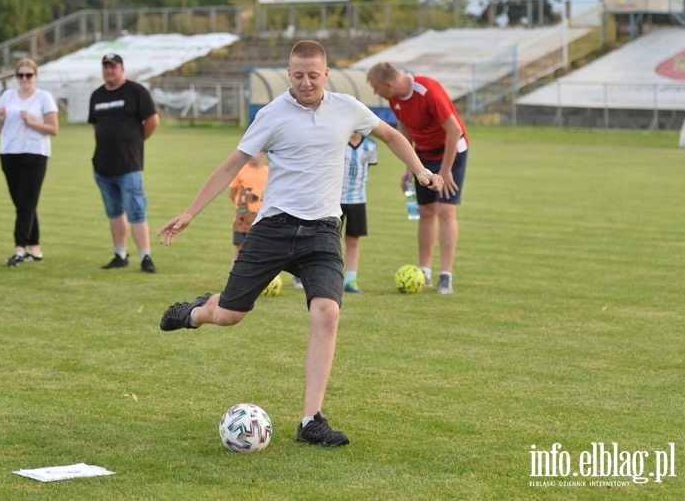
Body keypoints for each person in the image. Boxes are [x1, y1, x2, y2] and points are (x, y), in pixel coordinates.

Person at [157, 40, 444, 447]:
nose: (305, 82)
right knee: (229, 316)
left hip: (323, 231)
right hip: (273, 227)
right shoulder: (271, 115)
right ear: (288, 75)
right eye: (297, 75)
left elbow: (392, 136)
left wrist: (419, 170)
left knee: (327, 313)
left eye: (313, 75)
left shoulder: (346, 108)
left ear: (325, 74)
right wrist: (189, 212)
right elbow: (231, 166)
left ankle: (311, 421)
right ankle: (197, 311)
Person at [367, 61, 468, 295]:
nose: (375, 93)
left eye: (376, 88)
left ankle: (446, 276)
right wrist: (409, 168)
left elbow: (454, 130)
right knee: (426, 211)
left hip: (452, 152)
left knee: (445, 210)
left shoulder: (428, 90)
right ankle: (425, 271)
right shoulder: (395, 97)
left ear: (389, 85)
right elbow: (404, 128)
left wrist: (445, 170)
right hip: (423, 155)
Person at [89, 53, 160, 273]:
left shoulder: (136, 91)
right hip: (103, 165)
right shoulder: (97, 95)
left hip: (129, 165)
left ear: (121, 68)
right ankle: (120, 254)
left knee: (136, 211)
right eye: (106, 67)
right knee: (114, 211)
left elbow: (152, 121)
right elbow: (96, 126)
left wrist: (136, 141)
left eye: (113, 66)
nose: (109, 71)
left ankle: (145, 256)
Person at [0, 58, 58, 267]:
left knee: (25, 204)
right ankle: (35, 249)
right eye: (20, 75)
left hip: (34, 152)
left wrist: (31, 122)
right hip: (9, 151)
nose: (24, 79)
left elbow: (53, 129)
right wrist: (1, 118)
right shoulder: (8, 95)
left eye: (28, 75)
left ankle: (19, 249)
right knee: (22, 202)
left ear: (35, 76)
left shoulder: (43, 97)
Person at [340, 132, 378, 294]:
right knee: (327, 239)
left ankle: (350, 280)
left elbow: (367, 167)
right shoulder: (339, 143)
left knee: (353, 240)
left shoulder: (370, 146)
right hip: (334, 200)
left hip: (357, 200)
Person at [228, 151, 268, 264]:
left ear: (263, 153)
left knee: (260, 249)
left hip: (261, 217)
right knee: (240, 249)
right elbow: (233, 192)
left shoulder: (268, 172)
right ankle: (235, 277)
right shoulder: (241, 170)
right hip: (242, 217)